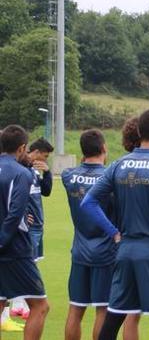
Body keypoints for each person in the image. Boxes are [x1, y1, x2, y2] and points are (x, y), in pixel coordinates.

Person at [80, 109, 149, 340]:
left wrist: (113, 232)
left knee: (113, 319)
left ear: (139, 132)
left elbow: (88, 202)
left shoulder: (119, 164)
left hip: (125, 249)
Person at [62, 129, 117, 340]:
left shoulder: (69, 176)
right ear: (104, 148)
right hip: (105, 252)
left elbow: (73, 175)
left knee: (75, 309)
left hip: (79, 251)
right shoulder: (109, 177)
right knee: (102, 309)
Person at [0, 125, 50, 339]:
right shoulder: (21, 173)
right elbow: (15, 215)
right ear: (22, 148)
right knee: (40, 306)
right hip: (14, 249)